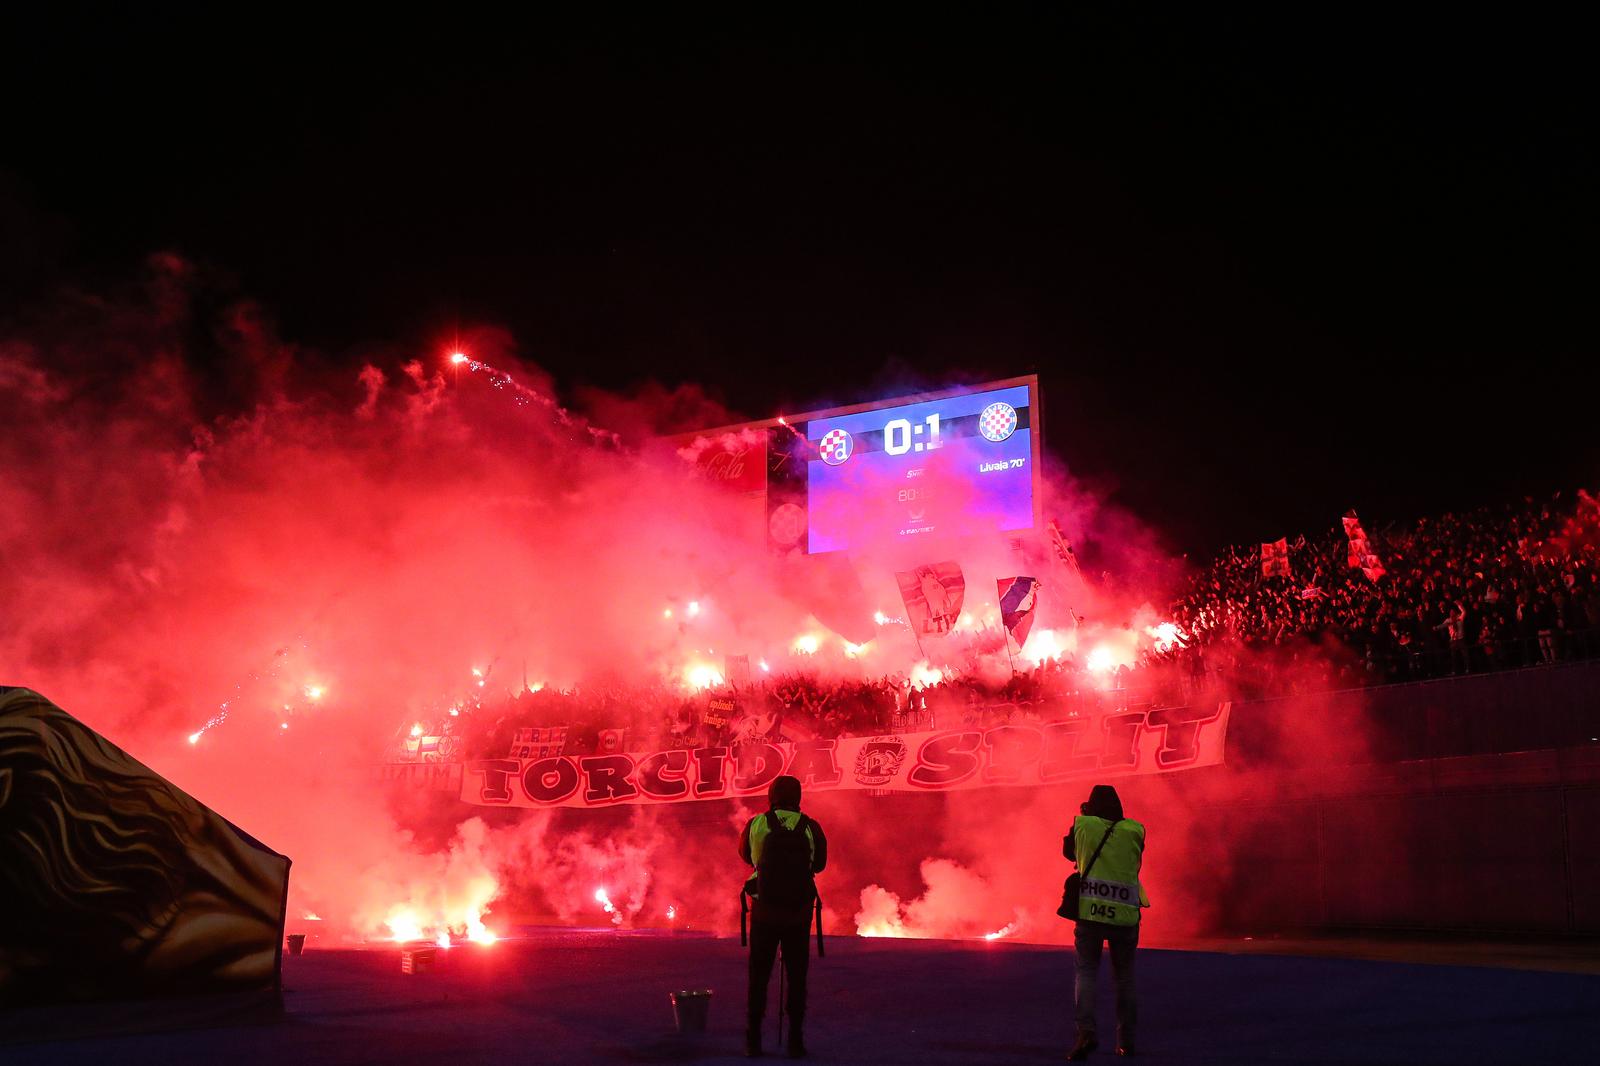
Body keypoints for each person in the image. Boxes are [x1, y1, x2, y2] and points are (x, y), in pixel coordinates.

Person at [739, 774, 827, 1058]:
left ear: (771, 796)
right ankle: (795, 1041)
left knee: (759, 976)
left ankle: (753, 1041)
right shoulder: (810, 826)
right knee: (797, 977)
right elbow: (821, 864)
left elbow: (745, 856)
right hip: (798, 913)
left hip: (764, 910)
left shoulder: (757, 823)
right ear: (798, 797)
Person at [1064, 784, 1148, 1060]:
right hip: (1125, 914)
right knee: (1125, 978)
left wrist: (1085, 816)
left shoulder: (1084, 825)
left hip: (1090, 913)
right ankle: (1127, 1041)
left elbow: (1068, 853)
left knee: (1086, 972)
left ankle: (1085, 1033)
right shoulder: (1135, 829)